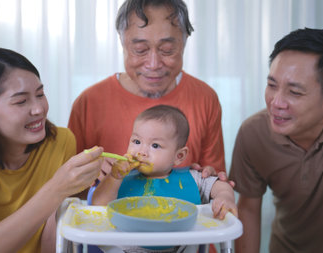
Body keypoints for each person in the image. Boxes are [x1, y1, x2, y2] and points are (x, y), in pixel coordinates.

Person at [229, 28, 323, 253]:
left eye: (294, 92)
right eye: (272, 85)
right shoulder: (253, 133)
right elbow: (248, 210)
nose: (276, 103)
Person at [0, 47, 104, 252]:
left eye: (40, 94)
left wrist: (102, 181)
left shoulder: (61, 141)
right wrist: (58, 187)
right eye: (21, 101)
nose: (39, 109)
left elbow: (55, 234)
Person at [68, 0, 226, 192]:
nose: (153, 64)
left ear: (184, 44)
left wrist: (211, 181)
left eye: (167, 50)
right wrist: (89, 174)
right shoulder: (90, 102)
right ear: (122, 41)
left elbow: (213, 182)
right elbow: (67, 190)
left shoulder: (204, 98)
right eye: (140, 50)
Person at [92, 104, 237, 253]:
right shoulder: (119, 178)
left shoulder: (192, 178)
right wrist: (114, 177)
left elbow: (218, 185)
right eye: (136, 142)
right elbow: (99, 206)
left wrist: (225, 196)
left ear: (179, 156)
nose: (142, 152)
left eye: (155, 145)